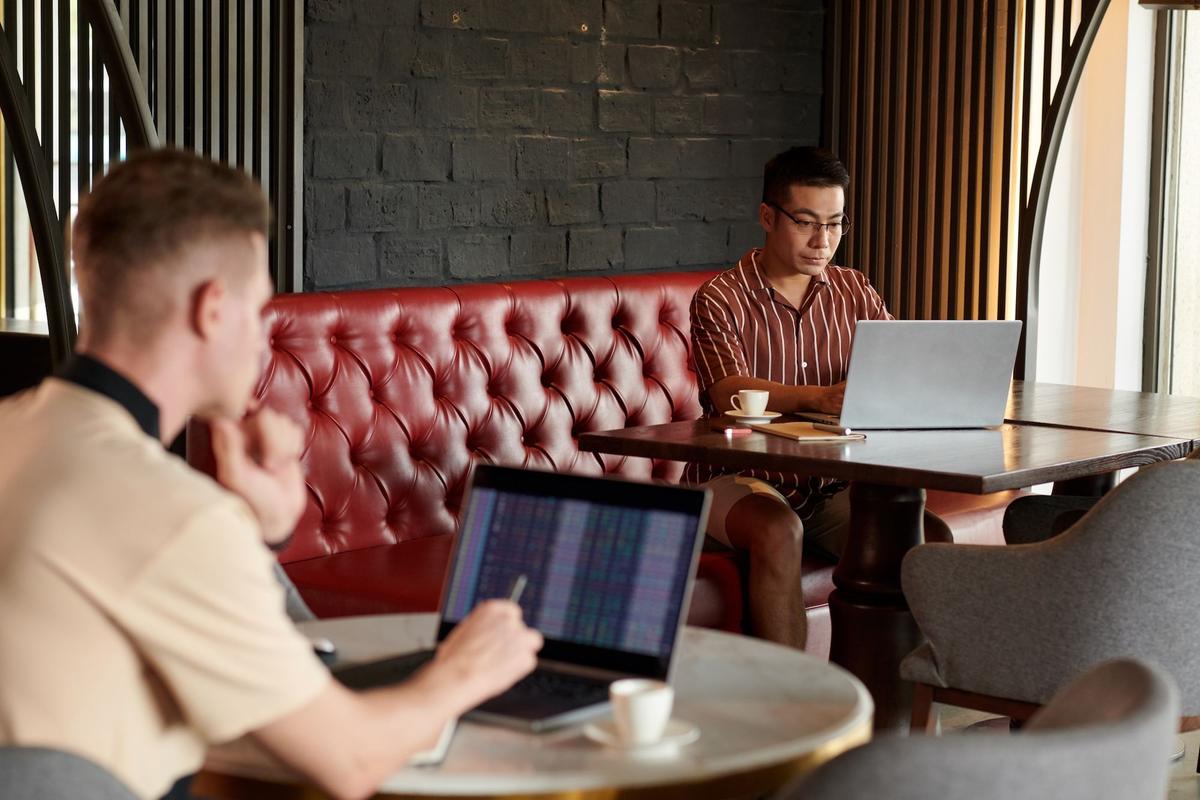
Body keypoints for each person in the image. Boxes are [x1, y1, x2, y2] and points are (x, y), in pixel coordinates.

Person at [0, 149, 542, 800]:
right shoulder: (170, 512)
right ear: (213, 308)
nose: (262, 341)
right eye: (259, 309)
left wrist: (255, 536)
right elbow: (349, 761)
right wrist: (465, 670)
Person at [686, 146, 950, 649]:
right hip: (736, 479)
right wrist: (821, 398)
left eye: (834, 224)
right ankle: (794, 704)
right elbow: (727, 392)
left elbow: (896, 368)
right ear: (768, 216)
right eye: (806, 222)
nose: (821, 241)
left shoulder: (854, 291)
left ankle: (900, 700)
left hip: (831, 483)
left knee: (928, 539)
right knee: (778, 530)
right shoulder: (720, 297)